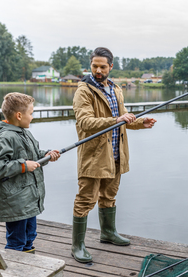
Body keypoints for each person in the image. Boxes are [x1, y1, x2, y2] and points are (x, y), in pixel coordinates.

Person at [71, 47, 156, 263]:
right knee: (85, 200)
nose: (98, 70)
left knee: (109, 196)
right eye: (94, 66)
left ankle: (107, 233)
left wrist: (139, 123)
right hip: (94, 155)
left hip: (116, 154)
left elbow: (122, 119)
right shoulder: (84, 91)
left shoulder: (115, 88)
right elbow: (85, 123)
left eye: (102, 66)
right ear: (90, 66)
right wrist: (116, 120)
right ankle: (77, 246)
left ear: (110, 66)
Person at [0, 93, 60, 253]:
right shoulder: (4, 137)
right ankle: (13, 269)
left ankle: (28, 266)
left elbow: (31, 156)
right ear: (19, 115)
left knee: (30, 236)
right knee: (16, 240)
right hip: (15, 202)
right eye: (31, 114)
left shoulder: (22, 132)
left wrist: (46, 155)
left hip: (28, 199)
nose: (32, 117)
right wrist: (23, 166)